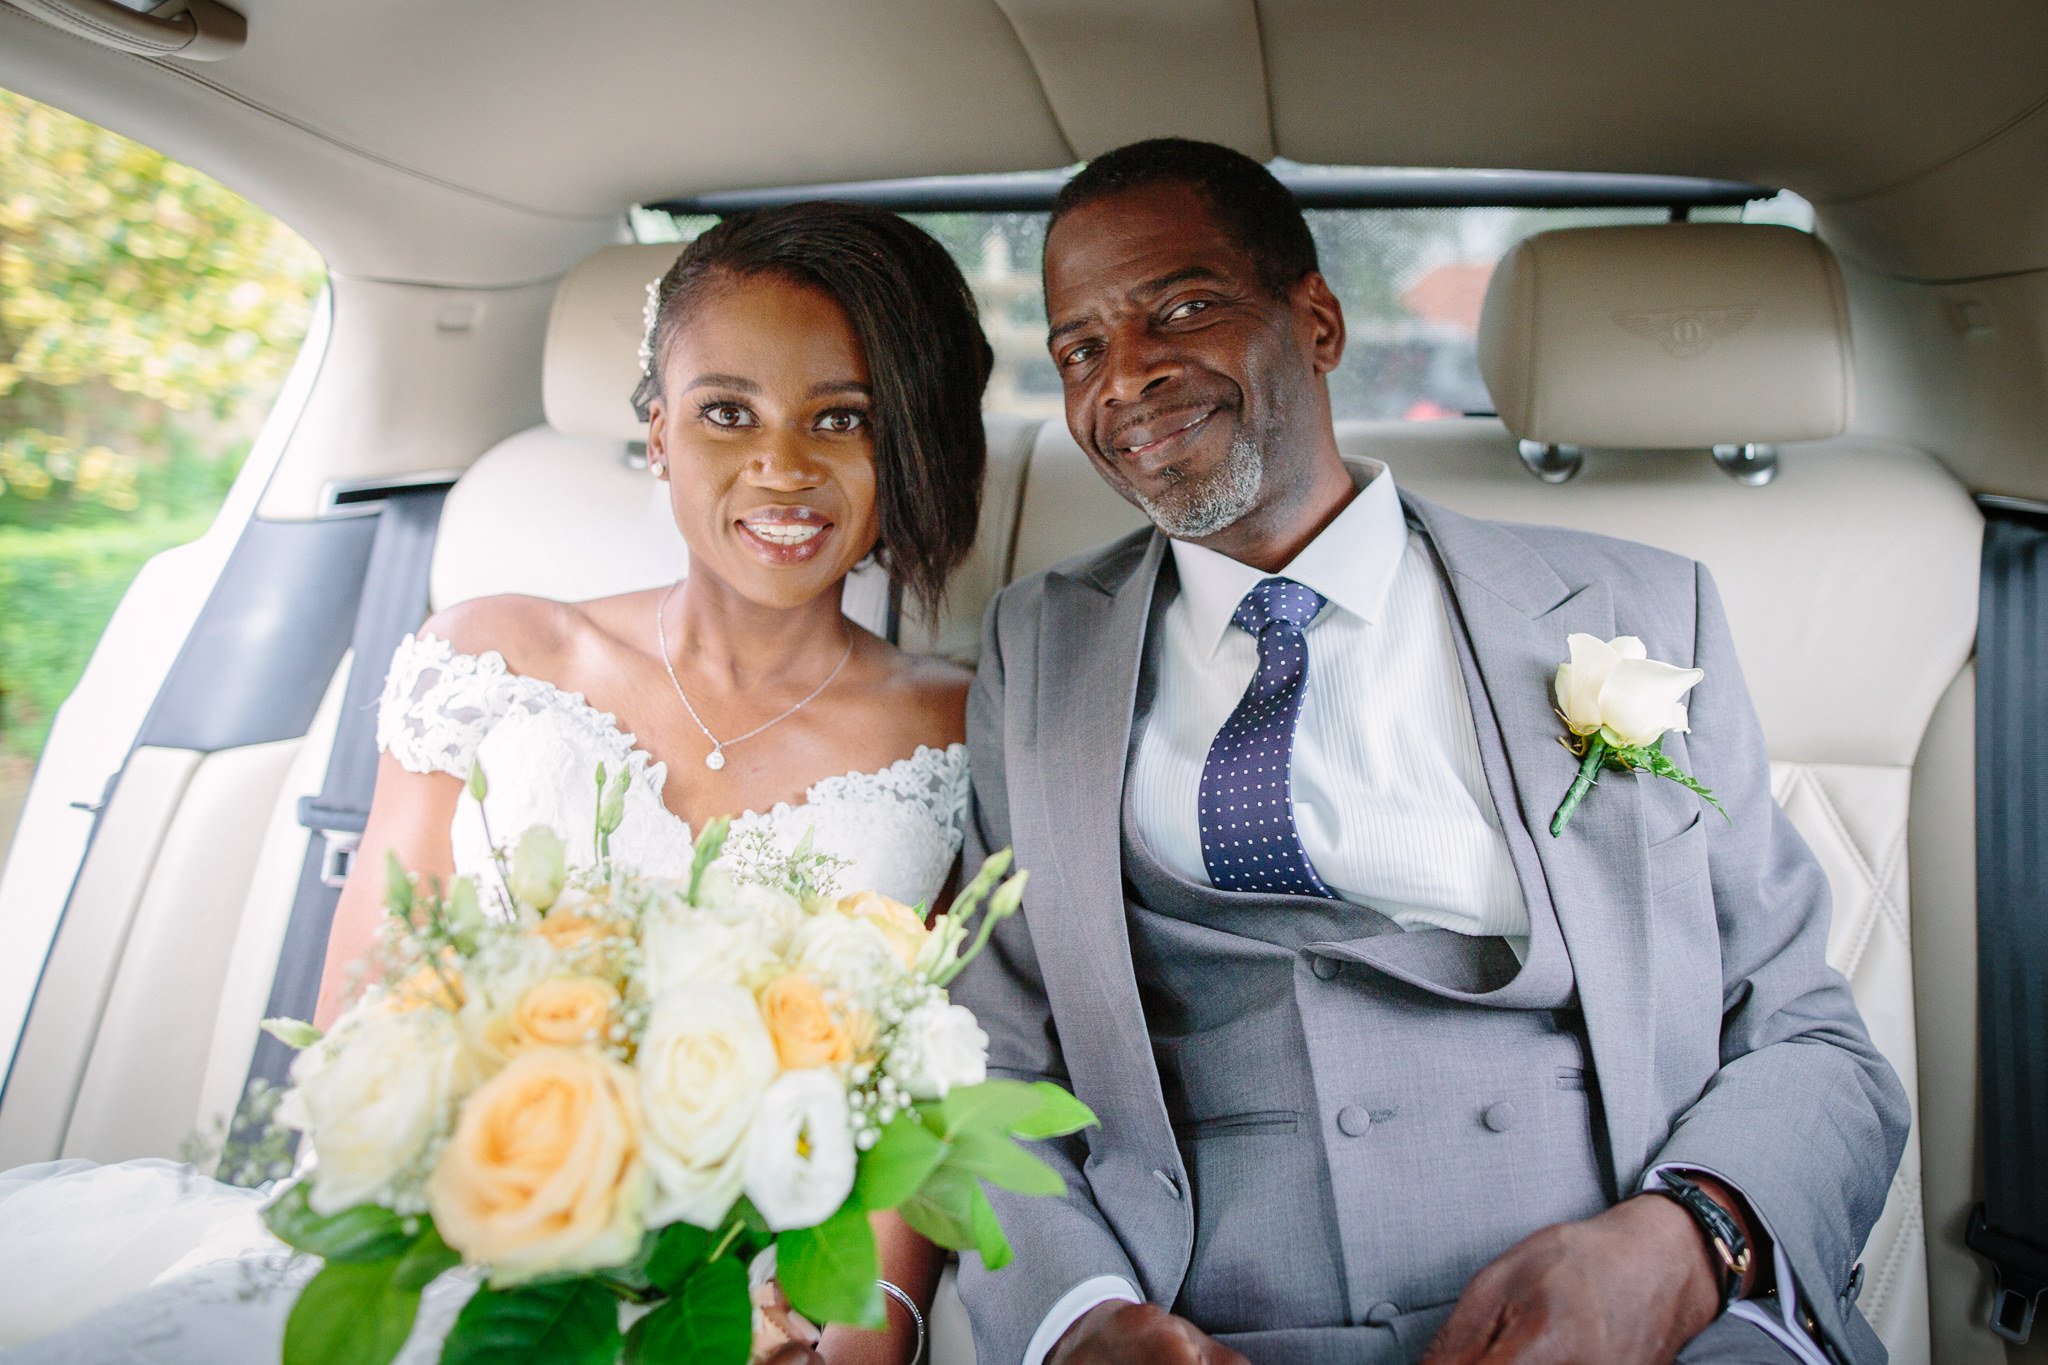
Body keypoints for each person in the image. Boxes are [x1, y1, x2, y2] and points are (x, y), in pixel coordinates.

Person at [949, 138, 1908, 1365]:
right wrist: (1075, 1321)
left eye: (1180, 308)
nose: (1124, 378)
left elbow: (1806, 1033)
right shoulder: (1038, 651)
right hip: (1217, 1330)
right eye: (1080, 347)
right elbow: (989, 1060)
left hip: (1638, 1317)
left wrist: (1680, 1246)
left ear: (1317, 323)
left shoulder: (1630, 613)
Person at [1, 201, 992, 1365]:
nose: (781, 465)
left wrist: (849, 1337)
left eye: (842, 418)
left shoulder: (959, 725)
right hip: (448, 1237)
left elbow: (930, 1088)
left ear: (905, 443)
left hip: (740, 1303)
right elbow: (364, 1029)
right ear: (659, 433)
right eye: (728, 411)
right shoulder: (492, 657)